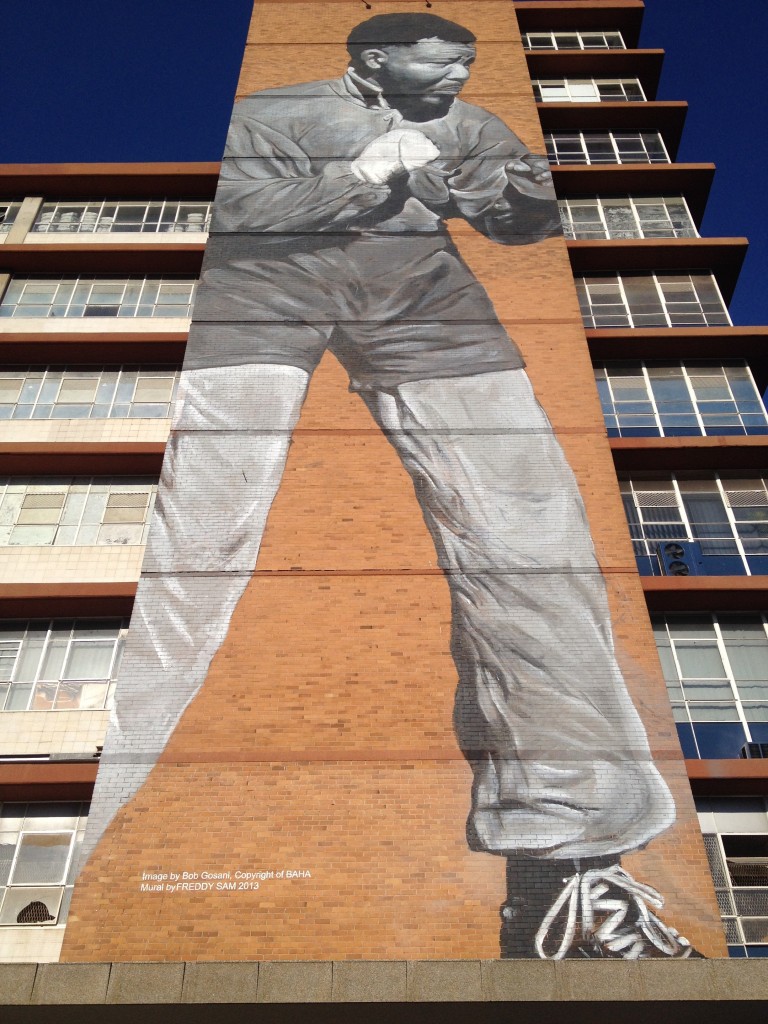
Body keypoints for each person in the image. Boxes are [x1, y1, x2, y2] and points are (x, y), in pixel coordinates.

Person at [83, 13, 699, 959]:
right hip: (256, 299)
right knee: (191, 555)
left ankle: (567, 866)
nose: (459, 68)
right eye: (440, 55)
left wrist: (510, 187)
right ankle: (57, 855)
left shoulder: (472, 121)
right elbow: (233, 211)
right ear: (372, 56)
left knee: (532, 545)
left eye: (467, 58)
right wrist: (364, 175)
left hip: (422, 299)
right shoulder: (268, 110)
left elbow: (521, 223)